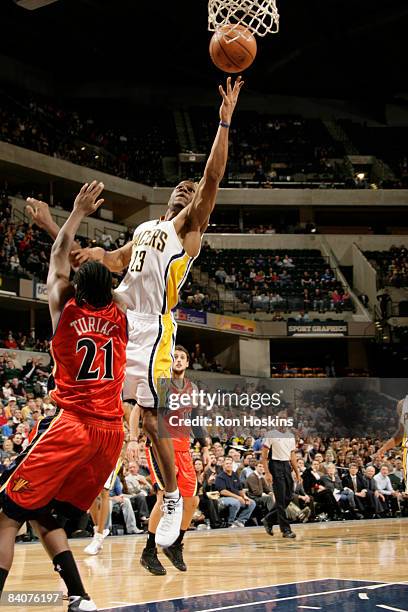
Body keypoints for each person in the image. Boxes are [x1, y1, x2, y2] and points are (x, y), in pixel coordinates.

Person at [27, 76, 244, 548]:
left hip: (156, 327)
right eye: (181, 187)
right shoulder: (146, 228)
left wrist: (224, 121)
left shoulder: (189, 232)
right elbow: (96, 264)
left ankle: (169, 496)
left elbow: (212, 177)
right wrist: (51, 225)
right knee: (96, 407)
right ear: (167, 198)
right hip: (122, 315)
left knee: (152, 418)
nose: (188, 189)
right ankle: (70, 494)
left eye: (193, 191)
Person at [0, 182, 128, 611]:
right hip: (110, 435)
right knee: (42, 513)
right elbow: (75, 264)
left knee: (5, 515)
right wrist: (54, 225)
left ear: (77, 288)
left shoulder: (66, 310)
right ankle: (78, 596)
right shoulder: (122, 314)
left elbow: (59, 260)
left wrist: (71, 215)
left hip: (72, 425)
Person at [140, 345, 210, 575]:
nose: (179, 360)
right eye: (175, 357)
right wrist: (132, 438)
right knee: (165, 498)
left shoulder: (193, 388)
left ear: (188, 363)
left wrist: (205, 447)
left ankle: (175, 544)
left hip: (184, 449)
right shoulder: (160, 384)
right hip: (162, 448)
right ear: (170, 361)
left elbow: (197, 420)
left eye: (183, 357)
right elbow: (137, 411)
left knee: (192, 501)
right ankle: (149, 551)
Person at [261, 422, 301, 538]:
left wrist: (297, 473)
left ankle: (268, 519)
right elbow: (264, 456)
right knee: (280, 500)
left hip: (286, 466)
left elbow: (293, 456)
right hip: (275, 465)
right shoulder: (271, 434)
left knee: (288, 497)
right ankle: (285, 530)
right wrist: (267, 473)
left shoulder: (290, 436)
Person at [215, 457, 256, 527]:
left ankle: (240, 521)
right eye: (227, 464)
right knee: (235, 502)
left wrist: (245, 497)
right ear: (223, 466)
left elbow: (240, 489)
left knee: (252, 503)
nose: (229, 465)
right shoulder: (220, 477)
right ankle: (230, 523)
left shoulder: (235, 475)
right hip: (223, 499)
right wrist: (238, 498)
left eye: (230, 463)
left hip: (237, 498)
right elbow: (223, 491)